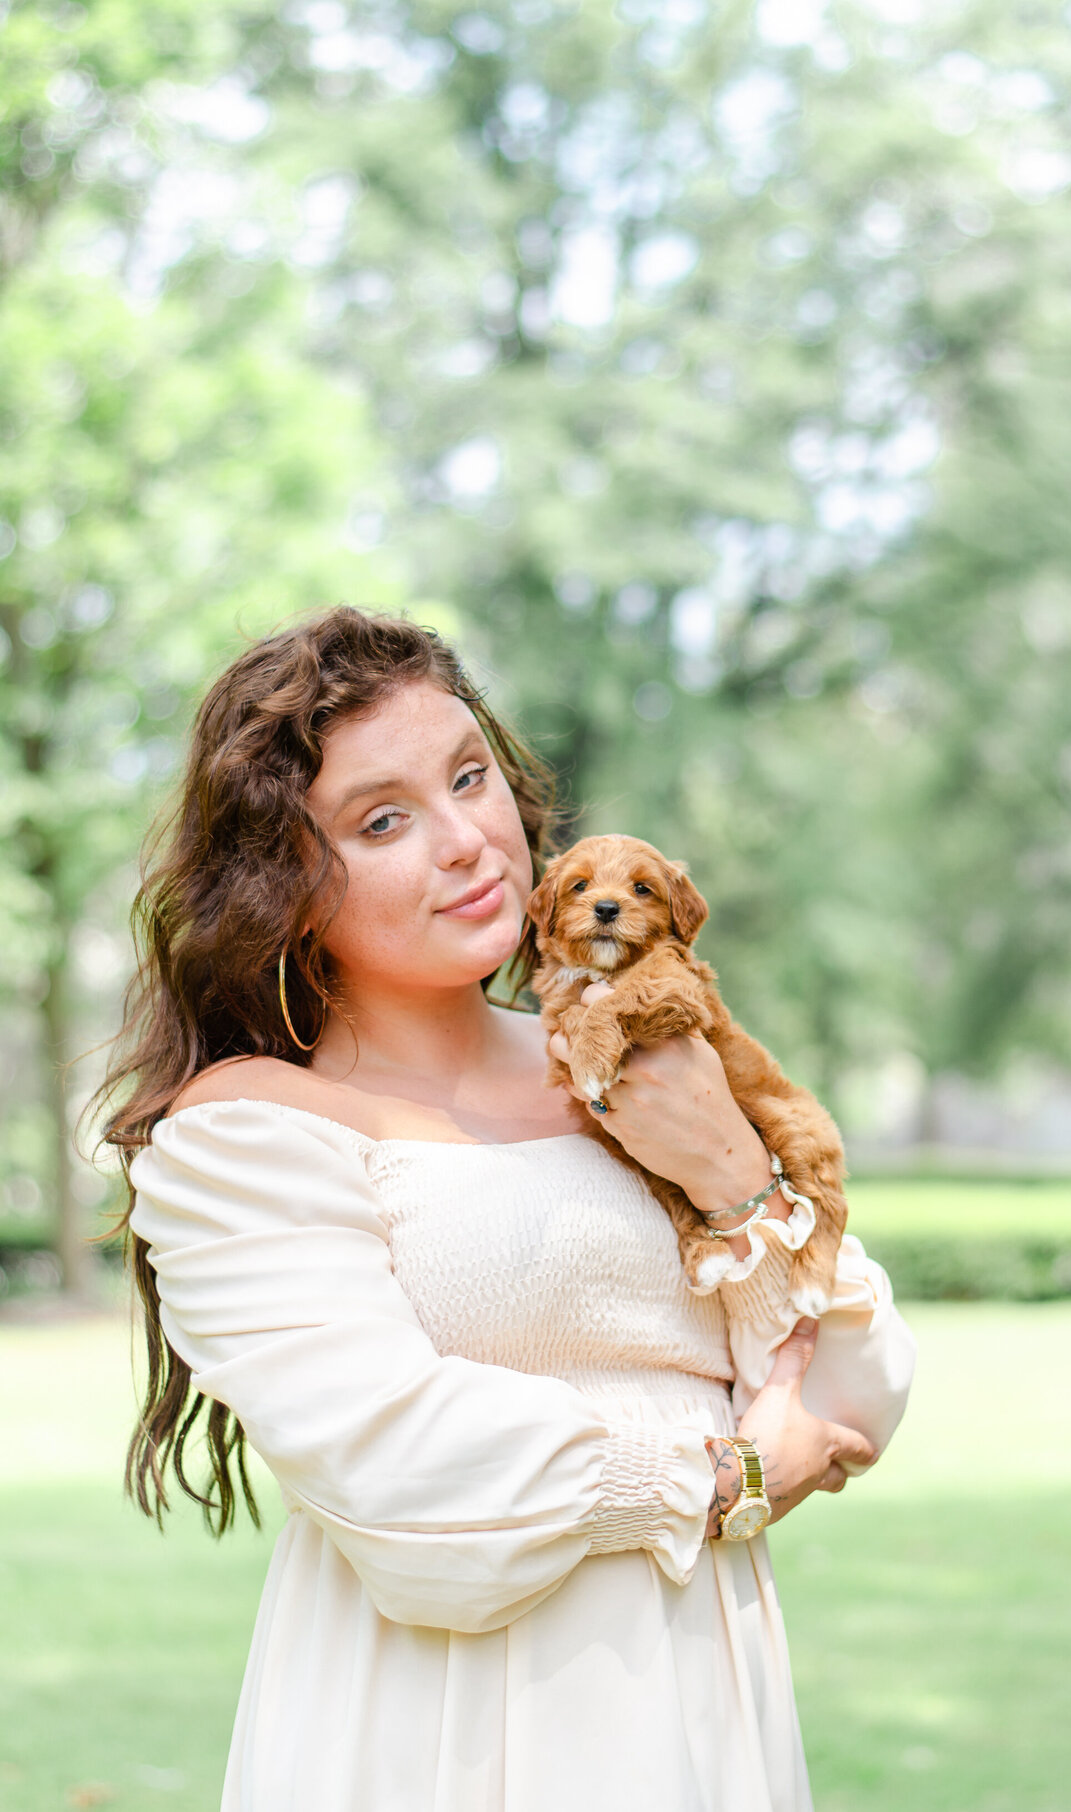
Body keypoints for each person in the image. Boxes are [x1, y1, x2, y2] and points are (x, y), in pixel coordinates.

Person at [96, 607, 916, 1812]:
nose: (469, 841)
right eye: (385, 821)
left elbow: (856, 1394)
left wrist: (733, 1168)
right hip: (442, 1726)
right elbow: (397, 1467)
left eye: (470, 777)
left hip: (697, 1699)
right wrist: (719, 1475)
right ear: (287, 884)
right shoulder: (244, 1132)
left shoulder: (644, 1072)